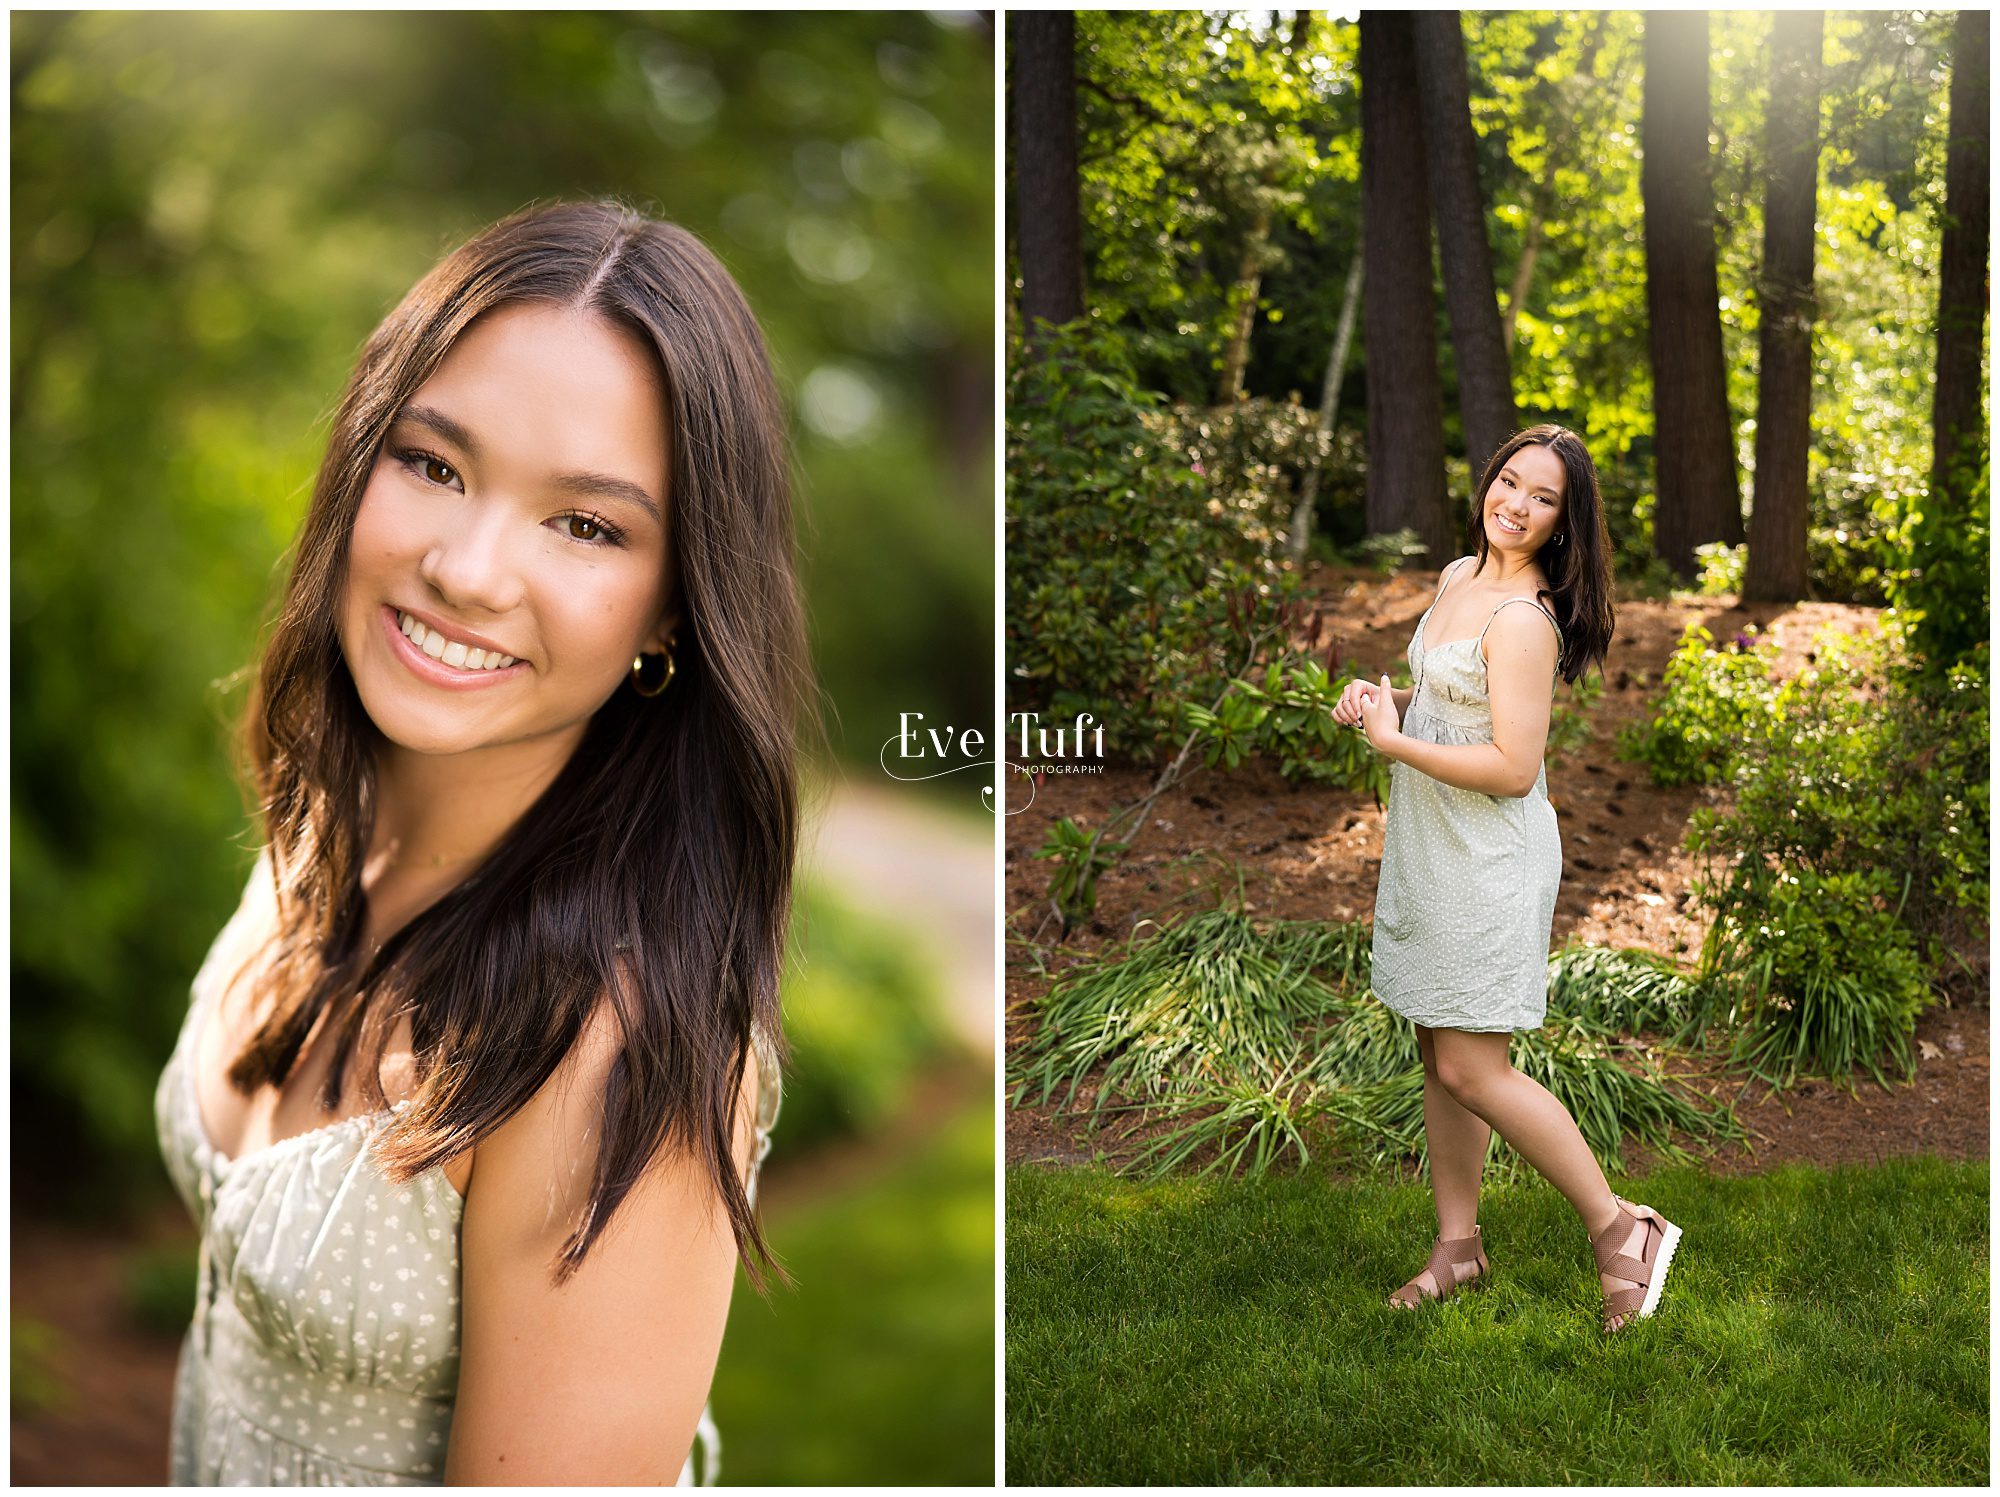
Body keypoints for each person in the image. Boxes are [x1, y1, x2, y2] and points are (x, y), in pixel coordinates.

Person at [152, 199, 815, 1483]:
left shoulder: (615, 1045)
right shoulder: (315, 838)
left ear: (673, 607)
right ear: (357, 463)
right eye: (434, 464)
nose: (466, 568)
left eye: (585, 525)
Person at [1332, 425, 1682, 1335]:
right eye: (1509, 482)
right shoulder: (1458, 578)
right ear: (1487, 480)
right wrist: (1386, 702)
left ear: (1566, 522)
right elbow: (1450, 701)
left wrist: (1393, 745)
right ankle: (1458, 1247)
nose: (1516, 506)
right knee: (1437, 1054)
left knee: (1471, 1064)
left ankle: (1624, 1229)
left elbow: (1513, 765)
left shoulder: (1524, 616)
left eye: (1543, 498)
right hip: (1431, 843)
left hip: (1487, 854)